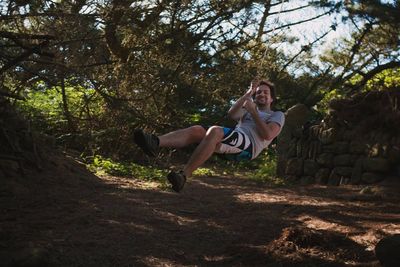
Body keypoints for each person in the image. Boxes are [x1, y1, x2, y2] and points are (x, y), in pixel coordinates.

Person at [134, 79, 285, 192]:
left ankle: (183, 175)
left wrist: (253, 112)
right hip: (235, 140)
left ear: (272, 99)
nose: (261, 94)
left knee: (215, 131)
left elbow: (267, 134)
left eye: (266, 92)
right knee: (197, 130)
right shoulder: (249, 107)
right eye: (258, 92)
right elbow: (232, 114)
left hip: (250, 147)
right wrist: (249, 93)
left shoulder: (277, 114)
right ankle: (154, 142)